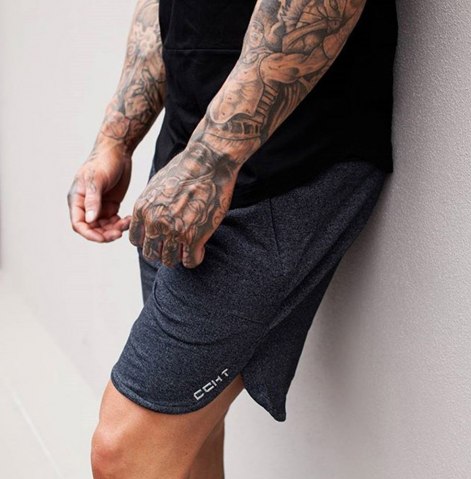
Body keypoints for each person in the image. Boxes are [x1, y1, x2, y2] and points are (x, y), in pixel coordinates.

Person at [67, 0, 397, 477]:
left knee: (124, 455)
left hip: (279, 163)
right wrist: (114, 140)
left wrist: (211, 162)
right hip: (183, 160)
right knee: (186, 439)